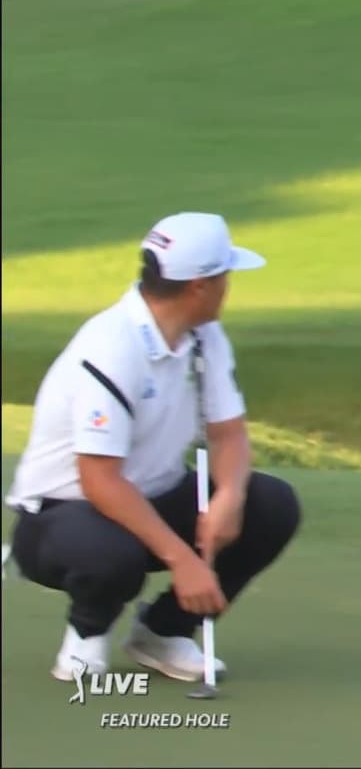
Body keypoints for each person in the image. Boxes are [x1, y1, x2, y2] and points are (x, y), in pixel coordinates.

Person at [4, 212, 302, 685]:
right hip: (60, 520)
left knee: (271, 504)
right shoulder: (111, 348)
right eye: (225, 276)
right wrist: (183, 562)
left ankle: (162, 633)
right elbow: (99, 481)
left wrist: (229, 497)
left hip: (153, 497)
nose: (230, 286)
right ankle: (86, 636)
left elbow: (229, 433)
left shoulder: (205, 336)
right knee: (111, 554)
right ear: (201, 286)